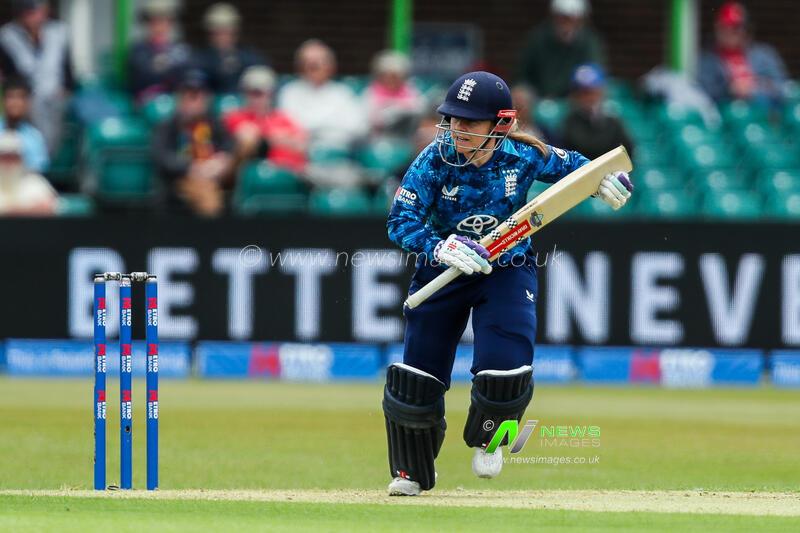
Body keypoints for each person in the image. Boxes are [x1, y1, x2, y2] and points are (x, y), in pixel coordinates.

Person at [383, 71, 632, 496]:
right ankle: (412, 472)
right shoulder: (432, 160)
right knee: (416, 380)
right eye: (452, 120)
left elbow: (581, 169)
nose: (457, 130)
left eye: (469, 122)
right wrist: (438, 246)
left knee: (507, 366)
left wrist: (603, 182)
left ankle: (490, 438)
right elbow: (400, 222)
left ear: (499, 124)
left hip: (507, 264)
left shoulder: (524, 154)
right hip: (444, 269)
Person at [152, 70, 234, 217]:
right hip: (182, 179)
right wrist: (191, 167)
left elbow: (229, 145)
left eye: (197, 95)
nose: (193, 101)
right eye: (188, 95)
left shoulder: (213, 122)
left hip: (215, 174)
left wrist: (221, 160)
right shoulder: (168, 125)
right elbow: (161, 157)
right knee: (208, 197)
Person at [0, 0, 74, 154]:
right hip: (25, 97)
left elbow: (67, 68)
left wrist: (66, 89)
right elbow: (10, 74)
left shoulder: (58, 31)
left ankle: (44, 164)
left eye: (37, 11)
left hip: (54, 97)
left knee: (51, 133)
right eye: (29, 13)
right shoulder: (8, 35)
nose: (34, 17)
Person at [278, 39, 367, 152]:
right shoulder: (290, 92)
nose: (314, 67)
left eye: (319, 62)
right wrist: (329, 126)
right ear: (300, 66)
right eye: (308, 63)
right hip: (302, 154)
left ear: (331, 66)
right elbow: (290, 128)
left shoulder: (343, 93)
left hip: (340, 154)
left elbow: (358, 128)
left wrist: (316, 130)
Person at [698, 2, 788, 105]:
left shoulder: (764, 55)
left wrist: (755, 87)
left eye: (735, 27)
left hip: (765, 113)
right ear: (717, 29)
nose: (729, 32)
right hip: (725, 115)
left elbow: (783, 88)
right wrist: (729, 89)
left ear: (745, 29)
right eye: (724, 27)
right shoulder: (707, 60)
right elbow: (701, 95)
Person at [223, 66, 307, 174]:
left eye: (260, 93)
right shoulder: (237, 116)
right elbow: (247, 138)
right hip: (251, 172)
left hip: (288, 171)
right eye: (251, 93)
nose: (255, 98)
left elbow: (302, 146)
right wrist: (277, 138)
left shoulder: (282, 117)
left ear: (271, 94)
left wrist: (266, 137)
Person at [516, 0, 604, 98]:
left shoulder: (589, 42)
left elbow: (594, 73)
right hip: (538, 96)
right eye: (562, 19)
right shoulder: (538, 38)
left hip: (573, 98)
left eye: (571, 20)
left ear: (580, 20)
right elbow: (522, 75)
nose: (566, 25)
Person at [561, 64, 634, 160]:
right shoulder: (570, 121)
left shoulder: (612, 119)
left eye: (592, 92)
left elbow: (628, 149)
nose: (588, 98)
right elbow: (587, 147)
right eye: (583, 93)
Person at [128, 0, 192, 102]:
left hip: (176, 102)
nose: (159, 27)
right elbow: (143, 77)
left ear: (170, 23)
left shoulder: (180, 49)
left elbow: (185, 76)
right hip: (146, 102)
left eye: (163, 21)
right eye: (154, 21)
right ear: (147, 24)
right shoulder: (138, 50)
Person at [196, 3, 266, 94]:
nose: (222, 36)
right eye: (217, 32)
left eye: (226, 31)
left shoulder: (251, 58)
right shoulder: (200, 59)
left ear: (235, 32)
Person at [363, 50, 424, 138]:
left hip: (406, 136)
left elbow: (419, 109)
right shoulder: (371, 92)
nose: (390, 80)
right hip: (379, 138)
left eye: (395, 76)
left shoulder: (410, 90)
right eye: (387, 75)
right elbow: (368, 119)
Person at [0, 131, 57, 216]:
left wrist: (9, 210)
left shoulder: (35, 182)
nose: (9, 163)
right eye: (4, 157)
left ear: (21, 159)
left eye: (13, 157)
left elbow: (50, 206)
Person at [0, 77, 49, 173]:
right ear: (3, 100)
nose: (15, 103)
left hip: (24, 183)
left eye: (20, 98)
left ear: (27, 103)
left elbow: (38, 169)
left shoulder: (34, 136)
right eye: (11, 97)